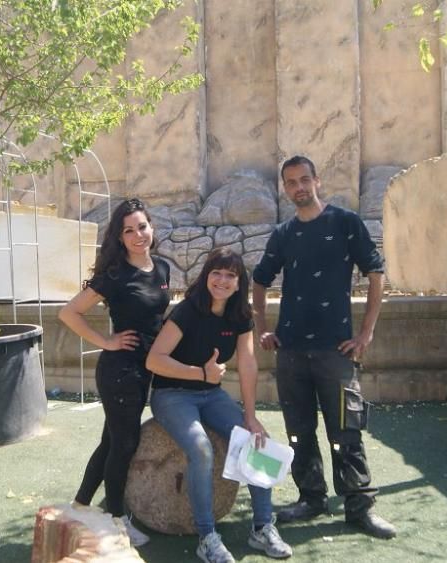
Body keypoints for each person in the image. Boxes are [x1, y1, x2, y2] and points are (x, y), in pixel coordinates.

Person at [251, 155, 397, 539]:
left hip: (337, 352)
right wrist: (263, 330)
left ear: (317, 181)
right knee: (299, 430)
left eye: (304, 180)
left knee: (347, 430)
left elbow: (377, 274)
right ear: (285, 189)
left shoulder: (346, 223)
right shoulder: (283, 234)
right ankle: (311, 497)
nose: (299, 188)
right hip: (292, 352)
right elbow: (259, 281)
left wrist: (366, 333)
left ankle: (359, 506)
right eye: (291, 182)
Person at [146, 248, 292, 563]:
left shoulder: (240, 315)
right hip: (172, 394)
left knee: (257, 439)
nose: (222, 280)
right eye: (217, 272)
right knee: (201, 448)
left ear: (239, 283)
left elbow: (248, 363)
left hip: (211, 395)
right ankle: (207, 536)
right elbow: (154, 360)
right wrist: (200, 373)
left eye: (230, 275)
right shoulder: (187, 311)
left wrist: (251, 417)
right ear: (206, 276)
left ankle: (263, 526)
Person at [58, 198, 170, 547]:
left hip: (146, 369)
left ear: (151, 227)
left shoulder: (163, 268)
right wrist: (105, 341)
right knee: (124, 444)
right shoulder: (116, 275)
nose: (138, 235)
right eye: (129, 230)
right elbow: (69, 313)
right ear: (119, 238)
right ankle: (117, 519)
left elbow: (160, 320)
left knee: (112, 441)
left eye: (142, 227)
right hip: (120, 370)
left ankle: (80, 505)